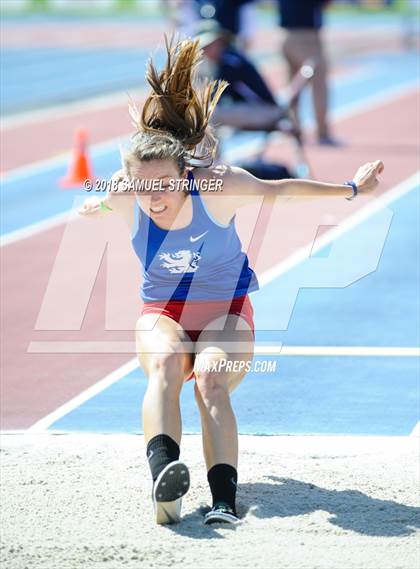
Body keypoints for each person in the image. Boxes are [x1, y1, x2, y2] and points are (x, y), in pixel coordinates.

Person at [78, 37, 384, 526]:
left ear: (186, 174)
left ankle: (224, 501)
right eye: (143, 188)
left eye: (165, 186)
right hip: (163, 313)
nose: (154, 198)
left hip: (227, 311)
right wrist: (94, 205)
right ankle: (166, 482)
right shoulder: (125, 192)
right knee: (165, 368)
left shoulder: (217, 187)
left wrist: (352, 188)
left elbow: (280, 191)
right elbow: (94, 199)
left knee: (212, 382)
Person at [278, 0, 337, 145]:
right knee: (319, 85)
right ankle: (322, 133)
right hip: (306, 36)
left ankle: (294, 129)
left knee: (294, 86)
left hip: (286, 35)